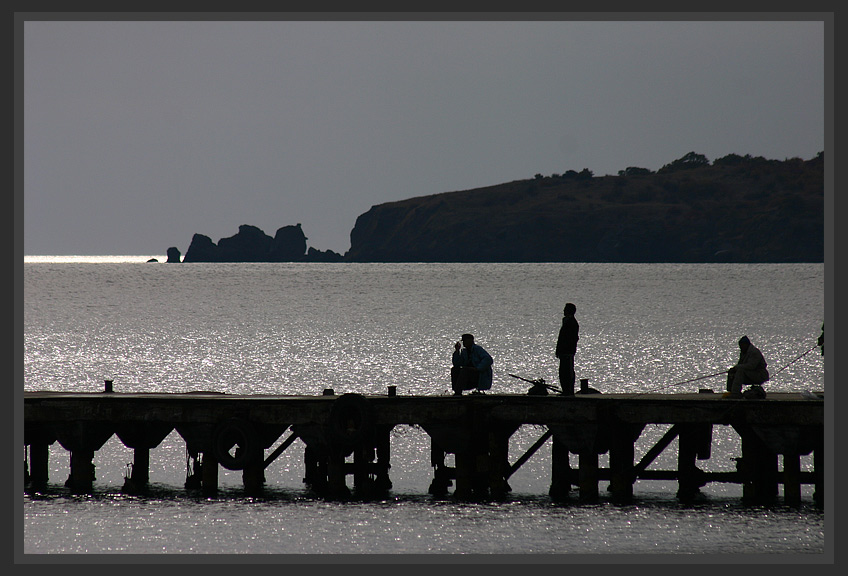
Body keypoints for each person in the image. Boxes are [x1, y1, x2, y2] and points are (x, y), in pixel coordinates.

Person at [555, 303, 579, 395]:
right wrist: (558, 350)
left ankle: (568, 391)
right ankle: (566, 390)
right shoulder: (567, 321)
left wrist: (566, 350)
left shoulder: (572, 323)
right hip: (564, 352)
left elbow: (571, 339)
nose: (563, 311)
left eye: (565, 309)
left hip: (568, 352)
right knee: (563, 372)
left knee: (567, 372)